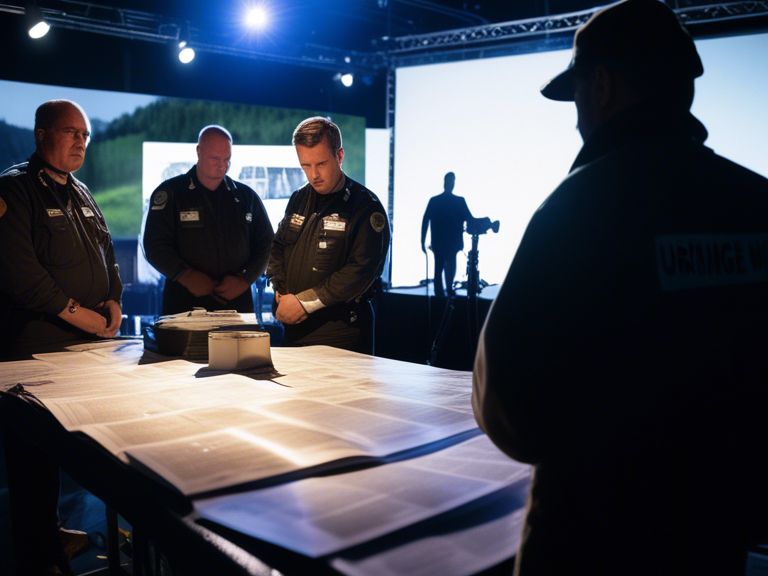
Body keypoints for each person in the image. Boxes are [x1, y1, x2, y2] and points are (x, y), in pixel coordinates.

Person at [472, 2, 768, 575]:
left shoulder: (580, 206)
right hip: (713, 543)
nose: (578, 117)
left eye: (579, 97)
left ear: (602, 86)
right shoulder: (756, 204)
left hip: (591, 543)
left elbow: (508, 407)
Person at [0, 99, 122, 574]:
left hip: (81, 349)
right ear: (41, 134)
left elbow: (108, 254)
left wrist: (113, 300)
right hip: (33, 348)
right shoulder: (14, 189)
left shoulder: (82, 192)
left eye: (85, 135)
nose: (80, 142)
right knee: (31, 461)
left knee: (59, 450)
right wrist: (82, 316)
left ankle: (49, 530)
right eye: (70, 133)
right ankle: (38, 556)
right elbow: (20, 274)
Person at [267, 116, 390, 354]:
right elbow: (278, 247)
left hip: (341, 333)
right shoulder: (299, 198)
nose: (314, 175)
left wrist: (304, 303)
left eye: (321, 164)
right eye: (305, 166)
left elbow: (361, 270)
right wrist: (280, 291)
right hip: (293, 329)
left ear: (340, 156)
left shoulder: (365, 206)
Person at [143, 125, 274, 315]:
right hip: (184, 303)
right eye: (215, 158)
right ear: (199, 151)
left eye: (227, 159)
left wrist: (245, 279)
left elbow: (267, 243)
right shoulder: (171, 193)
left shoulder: (246, 197)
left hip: (237, 304)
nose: (222, 165)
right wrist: (184, 275)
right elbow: (154, 245)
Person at [421, 171, 474, 297]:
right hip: (450, 243)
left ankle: (442, 293)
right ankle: (447, 291)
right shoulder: (458, 201)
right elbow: (470, 219)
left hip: (442, 243)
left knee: (440, 268)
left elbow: (425, 220)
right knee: (446, 267)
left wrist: (422, 241)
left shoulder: (435, 201)